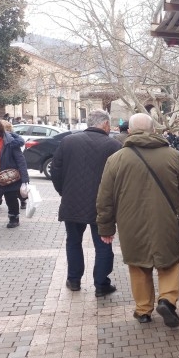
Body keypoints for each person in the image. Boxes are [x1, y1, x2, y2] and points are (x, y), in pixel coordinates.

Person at [97, 113, 179, 326]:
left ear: (129, 131)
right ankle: (167, 300)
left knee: (139, 265)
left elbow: (105, 197)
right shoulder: (171, 155)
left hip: (130, 223)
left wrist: (106, 227)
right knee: (168, 262)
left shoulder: (116, 159)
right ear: (153, 130)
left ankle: (143, 310)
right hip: (167, 220)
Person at [51, 110, 122, 296]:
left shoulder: (68, 141)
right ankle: (101, 285)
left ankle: (73, 280)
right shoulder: (114, 145)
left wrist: (63, 192)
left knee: (73, 241)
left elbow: (55, 170)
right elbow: (119, 178)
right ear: (105, 124)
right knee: (103, 244)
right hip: (102, 205)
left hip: (72, 202)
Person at [0, 121, 27, 212]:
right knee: (0, 190)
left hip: (11, 173)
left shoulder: (12, 142)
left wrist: (24, 179)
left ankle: (14, 215)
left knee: (11, 195)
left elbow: (21, 161)